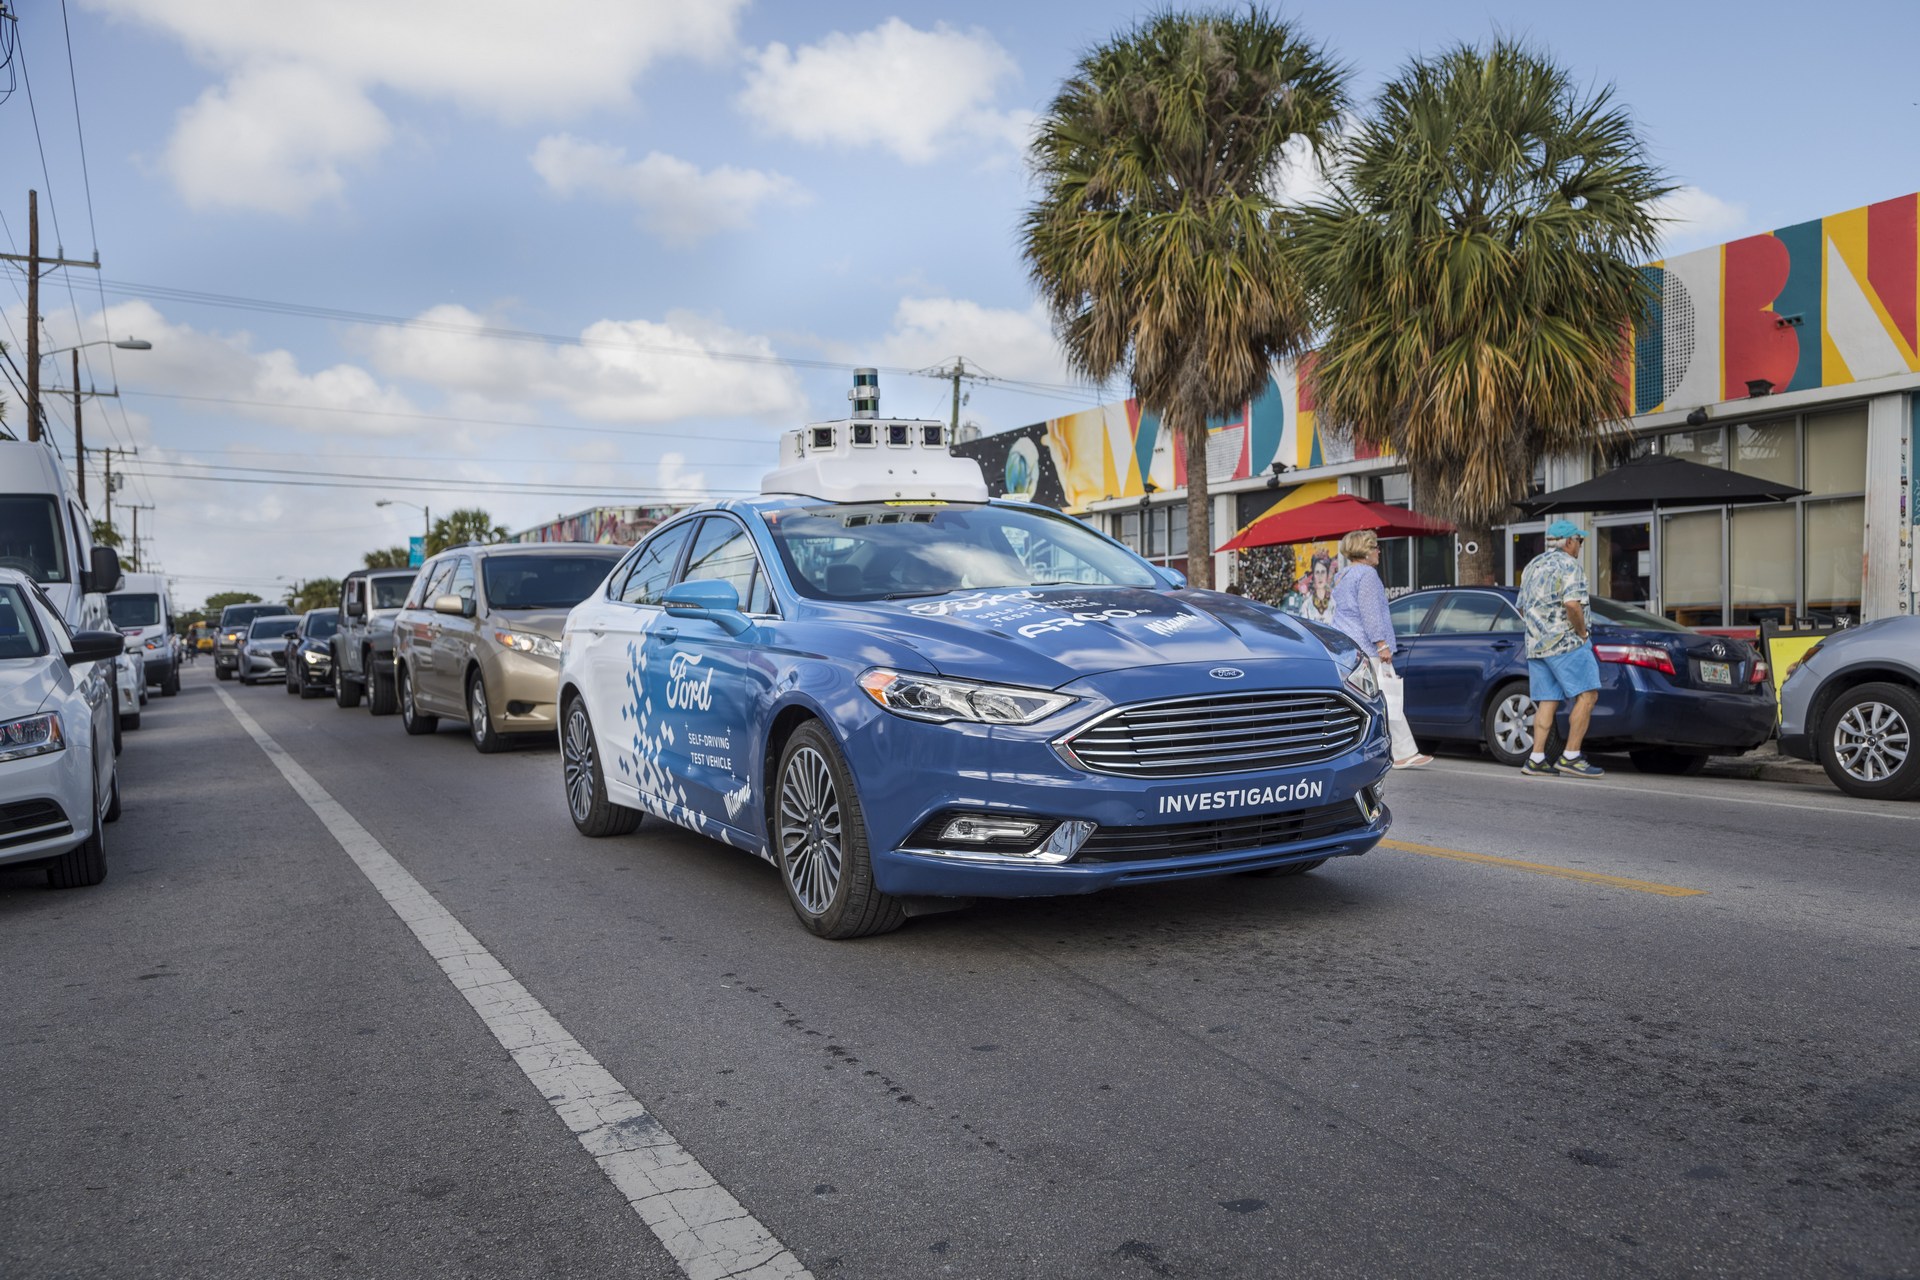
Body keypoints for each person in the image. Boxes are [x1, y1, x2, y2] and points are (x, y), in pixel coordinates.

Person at [1330, 529, 1431, 768]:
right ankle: (1404, 752)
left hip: (1347, 646)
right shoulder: (1367, 575)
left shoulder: (1342, 576)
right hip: (1369, 649)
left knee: (1361, 700)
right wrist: (1382, 644)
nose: (1379, 551)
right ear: (1365, 551)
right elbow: (1371, 613)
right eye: (1375, 547)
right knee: (1387, 698)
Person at [1516, 519, 1603, 778]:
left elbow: (1521, 607)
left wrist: (1539, 627)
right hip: (1566, 643)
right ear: (1568, 542)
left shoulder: (1532, 566)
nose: (1580, 546)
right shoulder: (1569, 565)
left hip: (1536, 645)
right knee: (1588, 695)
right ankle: (1571, 756)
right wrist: (1582, 632)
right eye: (1579, 540)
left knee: (1548, 700)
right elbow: (1573, 605)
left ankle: (1536, 758)